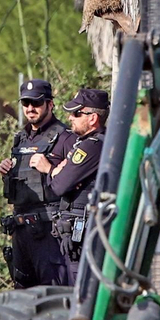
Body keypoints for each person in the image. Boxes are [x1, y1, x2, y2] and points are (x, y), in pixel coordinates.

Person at [0, 79, 71, 288]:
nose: (30, 108)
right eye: (26, 103)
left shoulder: (65, 138)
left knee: (54, 295)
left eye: (36, 103)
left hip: (49, 232)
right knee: (23, 293)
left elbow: (74, 184)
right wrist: (6, 172)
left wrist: (49, 168)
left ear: (50, 104)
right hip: (21, 231)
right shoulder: (20, 139)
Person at [33, 88, 108, 284]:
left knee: (80, 290)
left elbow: (59, 186)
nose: (70, 117)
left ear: (92, 118)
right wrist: (59, 170)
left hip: (84, 236)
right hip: (79, 234)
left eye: (76, 113)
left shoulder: (91, 146)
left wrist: (51, 170)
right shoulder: (91, 144)